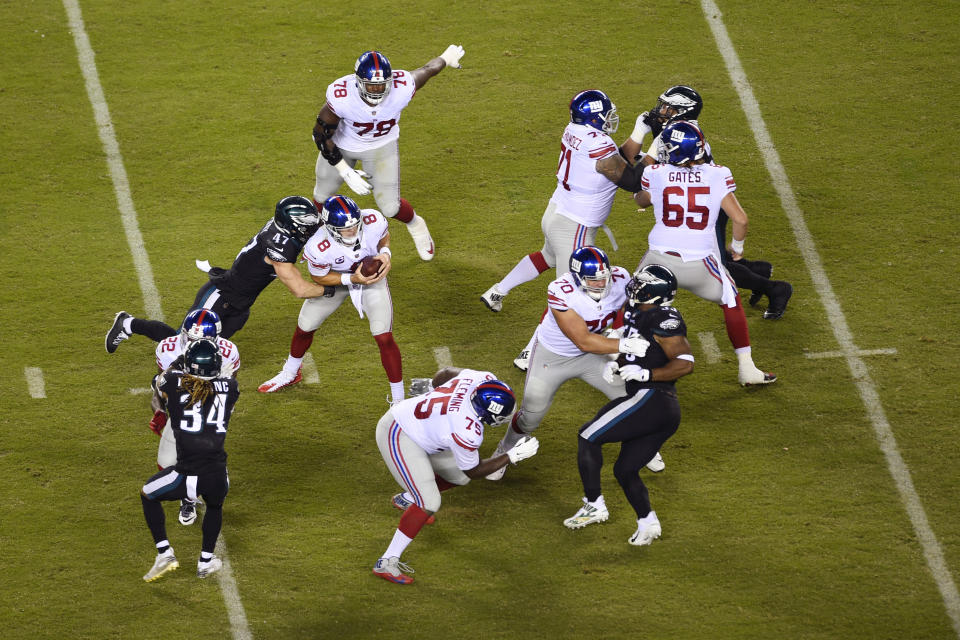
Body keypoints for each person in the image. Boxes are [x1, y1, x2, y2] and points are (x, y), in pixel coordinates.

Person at [597, 85, 792, 319]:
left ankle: (775, 289)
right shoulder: (680, 131)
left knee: (716, 268)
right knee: (712, 259)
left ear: (683, 111)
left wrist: (639, 133)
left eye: (669, 108)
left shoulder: (674, 136)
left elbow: (632, 178)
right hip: (695, 200)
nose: (662, 110)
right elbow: (632, 162)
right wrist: (639, 135)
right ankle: (756, 269)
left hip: (705, 206)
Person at [480, 90, 629, 370]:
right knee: (568, 297)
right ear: (595, 118)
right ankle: (529, 353)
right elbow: (626, 174)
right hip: (575, 224)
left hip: (556, 212)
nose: (610, 120)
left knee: (547, 257)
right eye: (605, 115)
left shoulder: (573, 129)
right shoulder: (598, 143)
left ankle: (498, 291)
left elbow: (617, 158)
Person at [485, 246, 659, 482]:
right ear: (578, 278)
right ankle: (504, 450)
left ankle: (643, 448)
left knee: (631, 396)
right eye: (593, 280)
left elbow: (625, 308)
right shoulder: (561, 291)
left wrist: (618, 333)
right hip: (554, 357)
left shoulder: (620, 278)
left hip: (597, 351)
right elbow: (583, 341)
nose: (600, 284)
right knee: (531, 415)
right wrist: (622, 346)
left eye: (603, 278)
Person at [631, 121, 776, 386]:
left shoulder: (656, 172)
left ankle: (618, 361)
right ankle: (747, 368)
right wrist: (737, 249)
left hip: (659, 256)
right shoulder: (718, 174)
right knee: (730, 301)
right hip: (700, 262)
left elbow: (642, 199)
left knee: (629, 301)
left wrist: (639, 198)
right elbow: (741, 220)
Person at [563, 265, 694, 547]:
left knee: (588, 436)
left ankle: (593, 504)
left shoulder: (664, 317)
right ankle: (648, 523)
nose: (634, 287)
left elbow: (685, 363)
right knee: (625, 469)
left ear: (654, 292)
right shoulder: (640, 312)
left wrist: (647, 375)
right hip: (658, 406)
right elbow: (637, 345)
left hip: (652, 399)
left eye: (642, 285)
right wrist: (617, 363)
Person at [372, 367, 539, 584]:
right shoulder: (467, 430)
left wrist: (432, 388)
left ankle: (408, 498)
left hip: (424, 430)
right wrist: (511, 456)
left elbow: (445, 372)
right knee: (430, 501)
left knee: (458, 478)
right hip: (398, 432)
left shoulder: (482, 379)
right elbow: (475, 470)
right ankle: (386, 561)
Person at [105, 196, 334, 352]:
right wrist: (337, 286)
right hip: (221, 296)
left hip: (241, 305)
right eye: (305, 223)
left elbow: (320, 227)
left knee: (211, 349)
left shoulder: (283, 229)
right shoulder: (278, 247)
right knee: (185, 344)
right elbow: (300, 289)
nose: (310, 227)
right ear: (291, 225)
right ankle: (128, 324)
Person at [312, 46, 465, 261]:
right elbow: (320, 135)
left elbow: (428, 69)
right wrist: (345, 171)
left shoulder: (402, 87)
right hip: (342, 146)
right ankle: (316, 237)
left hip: (381, 146)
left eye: (381, 85)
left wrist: (445, 58)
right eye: (371, 86)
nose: (377, 91)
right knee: (321, 195)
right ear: (358, 82)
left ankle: (416, 224)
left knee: (390, 207)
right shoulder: (342, 96)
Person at [257, 195, 404, 402]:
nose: (352, 231)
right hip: (337, 280)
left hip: (371, 280)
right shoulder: (318, 245)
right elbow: (318, 276)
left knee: (383, 336)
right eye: (346, 228)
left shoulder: (373, 219)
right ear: (330, 228)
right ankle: (290, 373)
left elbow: (383, 237)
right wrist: (351, 278)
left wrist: (386, 253)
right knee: (305, 326)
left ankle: (398, 400)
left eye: (355, 225)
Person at [140, 339, 240, 582]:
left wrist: (182, 362)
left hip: (187, 473)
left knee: (148, 494)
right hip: (217, 474)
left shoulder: (172, 383)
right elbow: (222, 387)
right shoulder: (231, 388)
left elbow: (164, 380)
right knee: (215, 506)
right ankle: (206, 561)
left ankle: (165, 553)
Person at [151, 309, 239, 527]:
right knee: (168, 461)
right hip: (182, 409)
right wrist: (160, 409)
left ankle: (193, 494)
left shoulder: (227, 352)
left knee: (204, 451)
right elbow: (161, 386)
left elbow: (230, 386)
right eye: (189, 338)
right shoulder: (167, 349)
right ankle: (188, 494)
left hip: (211, 407)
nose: (191, 343)